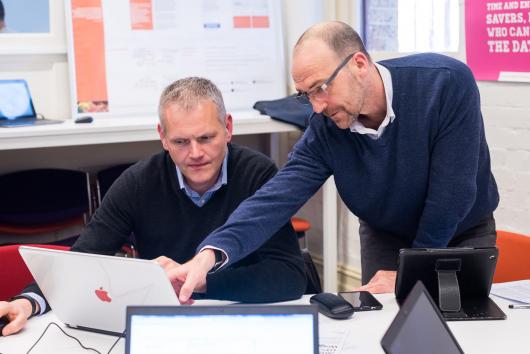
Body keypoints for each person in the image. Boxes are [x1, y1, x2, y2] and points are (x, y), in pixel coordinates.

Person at [169, 21, 500, 302]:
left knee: (462, 328)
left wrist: (408, 273)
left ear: (359, 64)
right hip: (386, 236)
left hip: (459, 231)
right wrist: (210, 254)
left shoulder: (444, 83)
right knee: (384, 329)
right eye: (306, 94)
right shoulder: (325, 130)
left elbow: (451, 194)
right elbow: (275, 199)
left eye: (320, 88)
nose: (316, 106)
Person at [0, 77, 306, 336]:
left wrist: (201, 283)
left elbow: (290, 276)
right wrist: (28, 302)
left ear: (227, 127)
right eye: (181, 142)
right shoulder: (137, 182)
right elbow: (84, 257)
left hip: (245, 322)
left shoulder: (258, 174)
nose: (195, 153)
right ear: (162, 137)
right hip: (164, 327)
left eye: (206, 137)